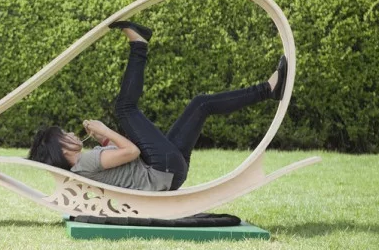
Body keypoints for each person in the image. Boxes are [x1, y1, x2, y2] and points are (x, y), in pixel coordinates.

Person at [27, 21, 288, 191]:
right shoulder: (85, 161)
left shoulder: (85, 165)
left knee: (201, 104)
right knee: (124, 109)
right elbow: (131, 151)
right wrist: (106, 130)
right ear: (60, 148)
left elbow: (124, 167)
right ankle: (139, 44)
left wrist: (105, 141)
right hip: (161, 169)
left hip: (168, 172)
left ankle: (269, 89)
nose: (72, 134)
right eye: (66, 135)